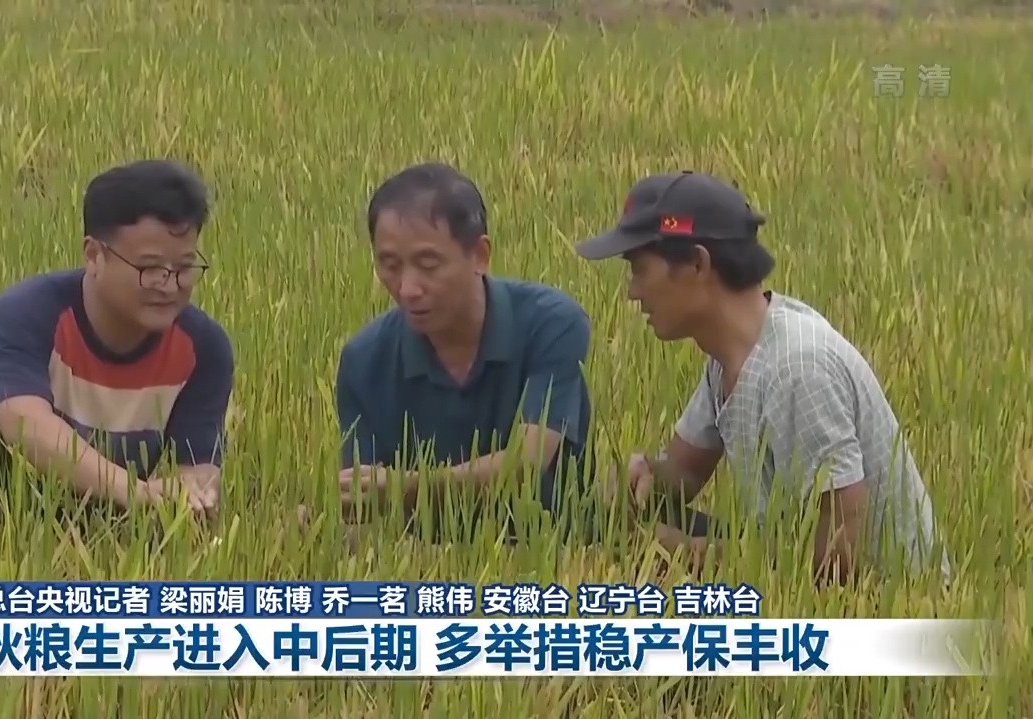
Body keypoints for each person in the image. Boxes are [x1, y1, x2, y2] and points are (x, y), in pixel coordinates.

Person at [575, 170, 950, 584]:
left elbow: (841, 553)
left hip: (879, 597)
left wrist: (691, 555)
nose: (632, 292)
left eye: (640, 269)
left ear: (698, 263)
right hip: (788, 561)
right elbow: (686, 472)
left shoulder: (797, 368)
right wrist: (643, 475)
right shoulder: (729, 355)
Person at [0, 159, 233, 530]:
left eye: (185, 267)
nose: (170, 285)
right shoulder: (24, 314)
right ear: (94, 256)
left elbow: (200, 467)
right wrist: (138, 493)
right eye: (150, 269)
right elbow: (27, 426)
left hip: (98, 523)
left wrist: (192, 498)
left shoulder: (204, 348)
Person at [335, 162, 597, 545]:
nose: (407, 289)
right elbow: (362, 504)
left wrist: (406, 487)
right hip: (422, 559)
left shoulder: (552, 323)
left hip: (551, 550)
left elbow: (527, 461)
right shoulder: (364, 359)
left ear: (479, 255)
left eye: (428, 265)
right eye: (389, 265)